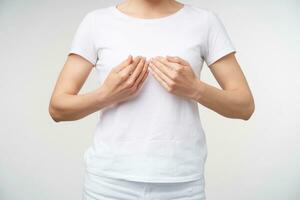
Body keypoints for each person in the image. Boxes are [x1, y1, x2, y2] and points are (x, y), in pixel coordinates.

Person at [48, 0, 255, 199]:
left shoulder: (204, 22)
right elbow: (58, 108)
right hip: (109, 183)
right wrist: (106, 94)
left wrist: (196, 89)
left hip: (181, 184)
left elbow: (244, 106)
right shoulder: (96, 23)